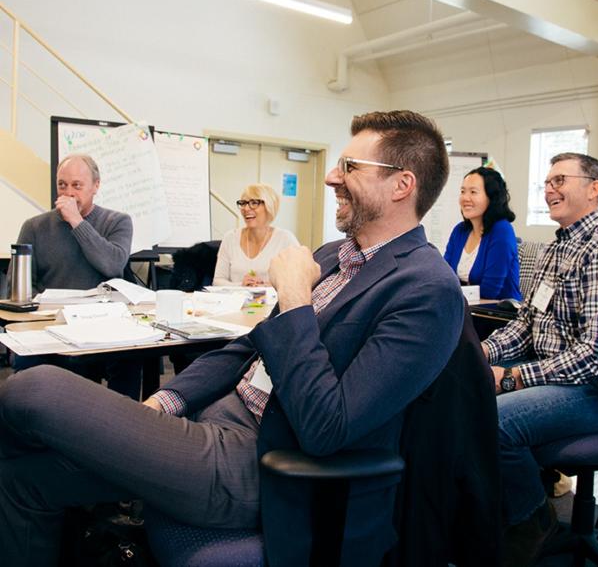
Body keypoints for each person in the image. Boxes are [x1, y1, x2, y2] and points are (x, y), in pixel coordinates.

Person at [0, 110, 465, 567]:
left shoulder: (426, 289)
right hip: (209, 421)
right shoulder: (334, 255)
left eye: (349, 167)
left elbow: (328, 427)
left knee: (34, 387)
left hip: (256, 460)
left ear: (402, 185)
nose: (330, 178)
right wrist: (167, 400)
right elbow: (248, 347)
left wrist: (296, 297)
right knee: (21, 479)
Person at [482, 153, 598, 567]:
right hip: (562, 383)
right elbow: (526, 325)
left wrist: (512, 378)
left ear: (594, 189)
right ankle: (514, 516)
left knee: (493, 420)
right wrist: (479, 353)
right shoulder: (559, 250)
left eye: (560, 179)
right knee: (468, 401)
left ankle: (533, 522)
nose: (549, 188)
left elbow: (597, 354)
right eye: (547, 181)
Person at [7, 154, 139, 400]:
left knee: (130, 360)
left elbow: (113, 265)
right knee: (25, 365)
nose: (68, 193)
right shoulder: (34, 227)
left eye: (77, 185)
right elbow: (20, 288)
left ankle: (122, 427)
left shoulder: (117, 221)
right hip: (50, 324)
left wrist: (77, 222)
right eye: (62, 185)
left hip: (101, 324)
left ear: (96, 186)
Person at [444, 166, 522, 300]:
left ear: (491, 197)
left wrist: (452, 292)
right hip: (464, 310)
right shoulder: (460, 231)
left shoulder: (502, 230)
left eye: (473, 192)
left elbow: (490, 291)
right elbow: (444, 278)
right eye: (463, 191)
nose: (465, 198)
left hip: (497, 314)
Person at [213, 183, 299, 287]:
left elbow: (298, 279)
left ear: (269, 206)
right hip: (237, 302)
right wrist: (241, 285)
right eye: (243, 203)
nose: (246, 208)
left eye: (254, 203)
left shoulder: (286, 239)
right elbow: (218, 281)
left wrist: (266, 285)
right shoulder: (230, 238)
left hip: (272, 302)